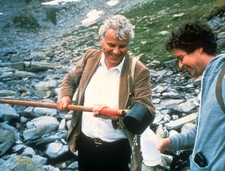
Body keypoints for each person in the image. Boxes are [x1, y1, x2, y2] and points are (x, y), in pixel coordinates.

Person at [157, 20, 225, 170]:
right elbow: (201, 134)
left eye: (181, 58)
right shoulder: (211, 79)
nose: (180, 65)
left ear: (199, 48)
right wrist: (169, 142)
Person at [57, 14, 155, 171]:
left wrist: (116, 116)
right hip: (85, 141)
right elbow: (70, 79)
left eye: (122, 46)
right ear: (101, 40)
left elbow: (147, 110)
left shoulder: (138, 70)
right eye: (111, 45)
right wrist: (65, 96)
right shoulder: (90, 57)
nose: (116, 51)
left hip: (117, 147)